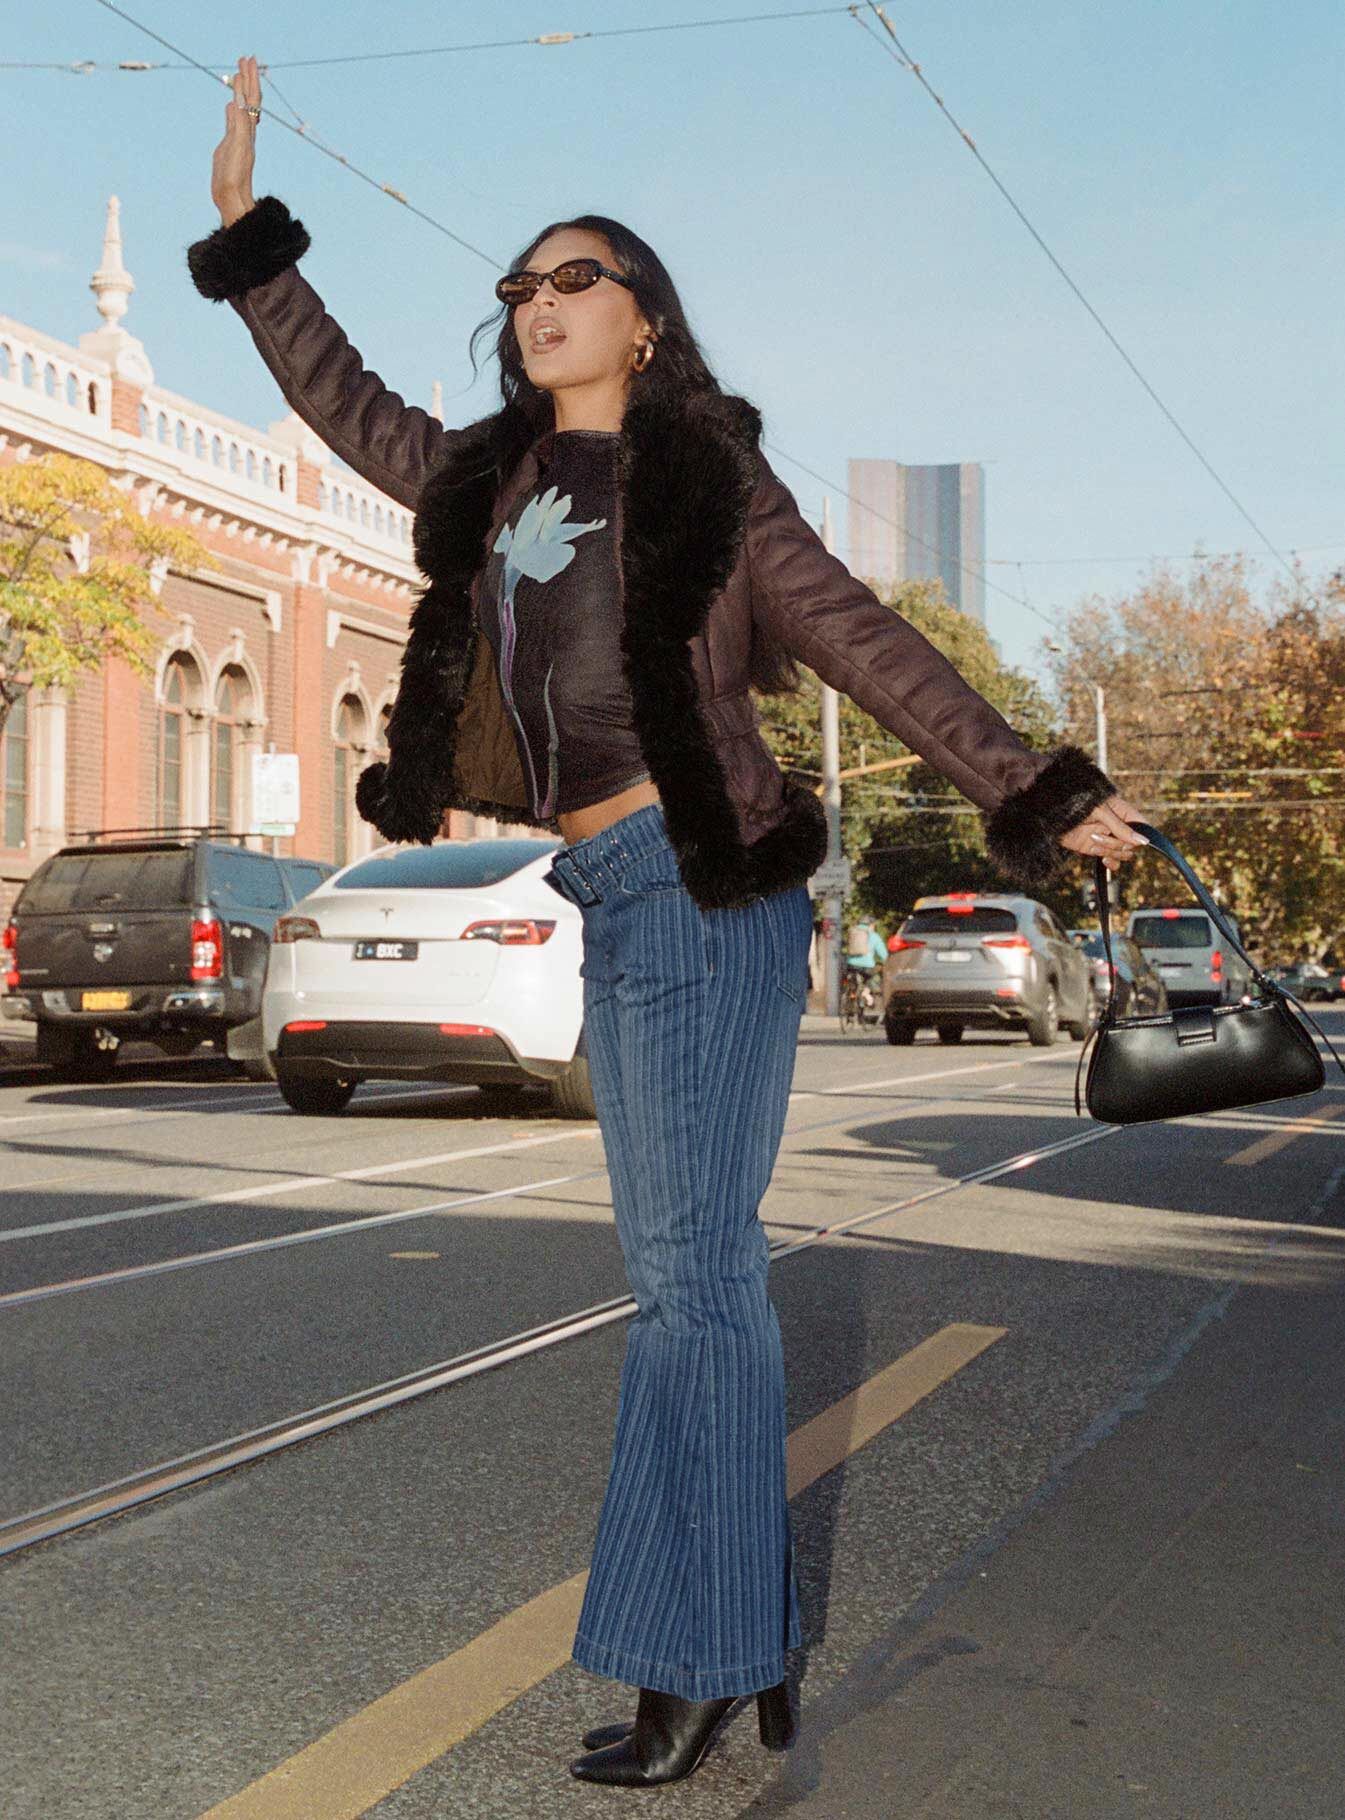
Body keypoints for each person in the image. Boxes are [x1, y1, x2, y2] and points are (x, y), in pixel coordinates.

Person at [189, 55, 1148, 1789]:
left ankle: (699, 1662)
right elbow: (349, 407)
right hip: (605, 894)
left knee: (692, 1291)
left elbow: (862, 637)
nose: (537, 305)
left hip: (707, 896)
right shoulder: (485, 481)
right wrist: (252, 242)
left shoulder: (706, 483)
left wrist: (1032, 781)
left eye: (576, 280)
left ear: (643, 320)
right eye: (520, 287)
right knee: (681, 1286)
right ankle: (734, 1647)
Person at [843, 918, 888, 1014]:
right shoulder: (874, 936)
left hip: (850, 964)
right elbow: (883, 954)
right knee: (873, 979)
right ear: (871, 925)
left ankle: (851, 996)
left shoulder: (852, 932)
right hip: (866, 966)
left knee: (853, 982)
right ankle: (866, 995)